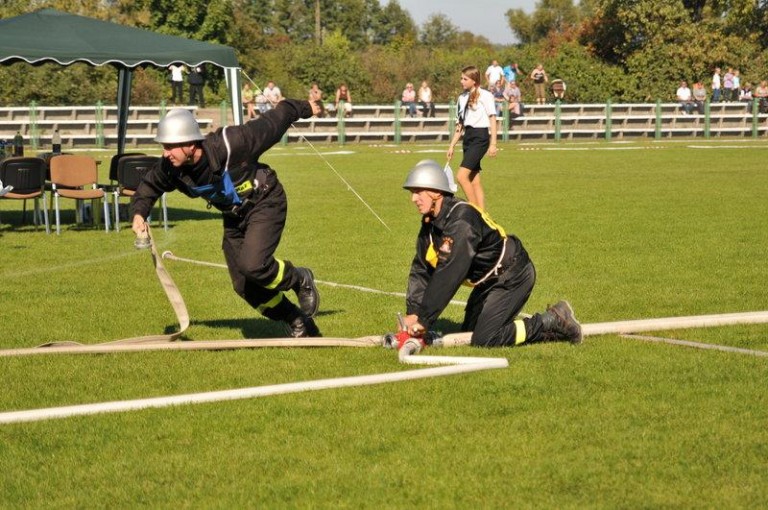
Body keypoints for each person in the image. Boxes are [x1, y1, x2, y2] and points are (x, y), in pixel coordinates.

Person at [130, 101, 323, 338]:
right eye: (164, 147)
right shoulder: (171, 168)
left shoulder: (233, 143)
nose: (165, 153)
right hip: (234, 216)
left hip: (265, 200)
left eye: (171, 147)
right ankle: (297, 321)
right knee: (243, 285)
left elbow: (276, 119)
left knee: (253, 266)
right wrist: (139, 214)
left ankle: (299, 278)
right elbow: (148, 187)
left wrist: (307, 108)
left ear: (190, 143)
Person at [399, 159, 583, 348]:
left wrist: (424, 320)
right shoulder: (430, 223)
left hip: (512, 274)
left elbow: (449, 274)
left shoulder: (461, 222)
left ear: (436, 192)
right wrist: (413, 312)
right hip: (487, 280)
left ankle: (553, 319)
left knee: (485, 339)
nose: (413, 199)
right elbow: (421, 269)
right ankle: (547, 324)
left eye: (417, 192)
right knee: (469, 332)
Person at [447, 65, 497, 211]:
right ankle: (483, 216)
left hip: (480, 137)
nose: (461, 81)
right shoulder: (461, 98)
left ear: (474, 80)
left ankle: (474, 211)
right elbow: (459, 125)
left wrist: (493, 143)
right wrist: (451, 146)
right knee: (474, 180)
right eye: (461, 78)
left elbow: (493, 118)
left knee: (461, 177)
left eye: (465, 79)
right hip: (468, 138)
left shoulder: (485, 95)